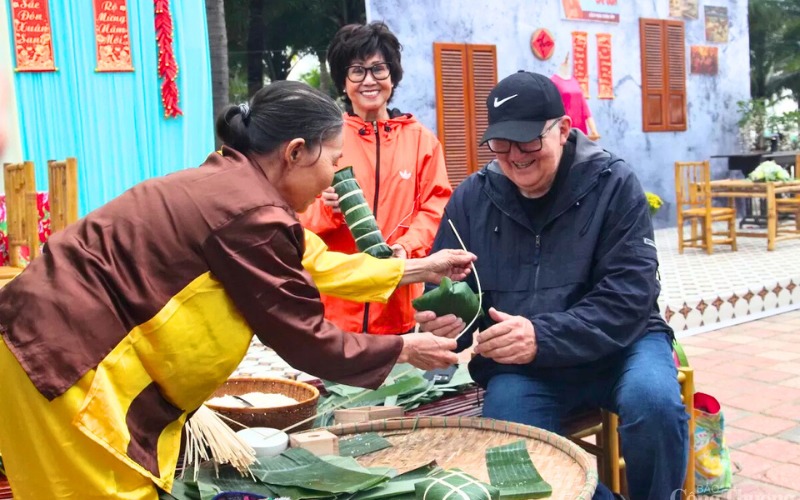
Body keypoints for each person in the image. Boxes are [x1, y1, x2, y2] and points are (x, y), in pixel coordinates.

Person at [0, 80, 474, 500]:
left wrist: (420, 268)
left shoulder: (237, 186)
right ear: (294, 152)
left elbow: (315, 262)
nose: (335, 179)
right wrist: (403, 349)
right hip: (64, 364)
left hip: (41, 346)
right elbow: (304, 338)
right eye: (333, 161)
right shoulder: (252, 215)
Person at [415, 71, 688, 500]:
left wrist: (542, 335)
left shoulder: (613, 184)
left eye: (528, 141)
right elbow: (457, 293)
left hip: (622, 346)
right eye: (501, 144)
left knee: (654, 403)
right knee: (510, 445)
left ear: (562, 130)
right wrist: (444, 324)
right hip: (527, 369)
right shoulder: (473, 198)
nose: (515, 157)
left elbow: (631, 296)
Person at [300, 21, 452, 335]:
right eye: (357, 70)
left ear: (393, 77)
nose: (369, 81)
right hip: (336, 309)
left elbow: (435, 208)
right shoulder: (322, 140)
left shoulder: (422, 140)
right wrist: (326, 209)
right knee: (339, 384)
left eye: (379, 69)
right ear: (343, 81)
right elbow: (294, 217)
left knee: (400, 382)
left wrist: (406, 248)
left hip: (399, 304)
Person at [551, 51, 600, 139]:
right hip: (563, 129)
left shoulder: (574, 81)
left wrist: (593, 129)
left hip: (580, 129)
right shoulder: (553, 81)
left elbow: (584, 106)